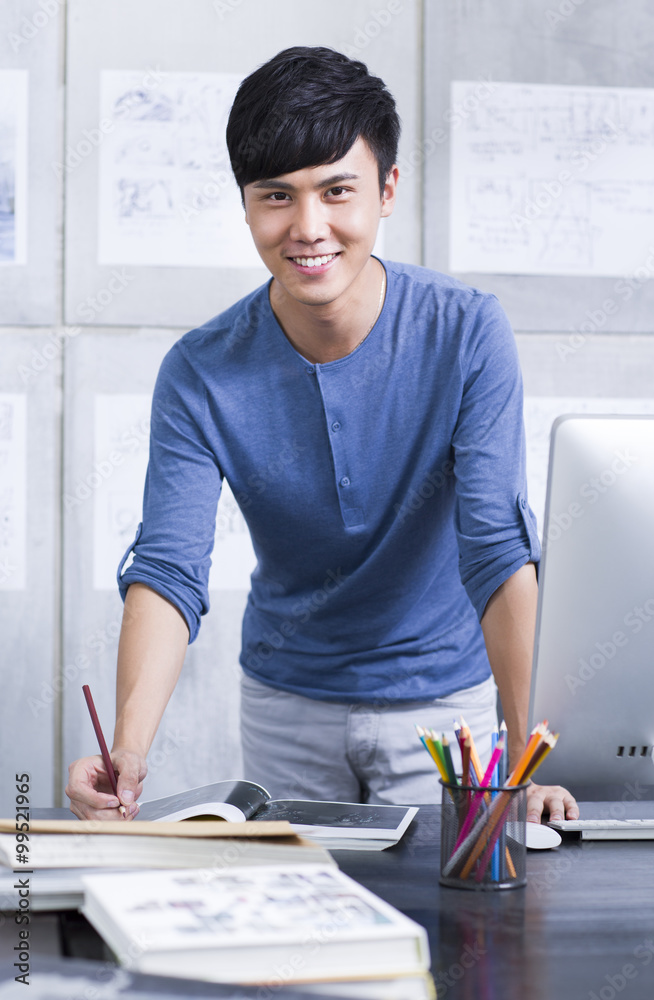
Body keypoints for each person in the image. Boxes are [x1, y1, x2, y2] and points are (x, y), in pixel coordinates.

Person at [66, 46, 578, 825]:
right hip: (285, 701)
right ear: (245, 205)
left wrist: (528, 754)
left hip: (448, 708)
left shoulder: (468, 332)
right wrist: (130, 750)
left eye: (336, 191)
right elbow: (169, 566)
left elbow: (496, 547)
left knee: (466, 936)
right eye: (277, 196)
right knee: (300, 928)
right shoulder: (199, 369)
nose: (308, 229)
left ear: (386, 191)